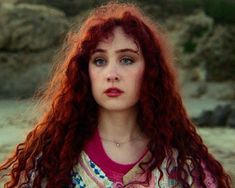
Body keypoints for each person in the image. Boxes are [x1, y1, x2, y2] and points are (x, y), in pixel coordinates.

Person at [0, 2, 232, 188]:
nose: (112, 74)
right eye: (99, 60)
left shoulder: (187, 170)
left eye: (127, 60)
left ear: (150, 71)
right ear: (85, 72)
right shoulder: (51, 160)